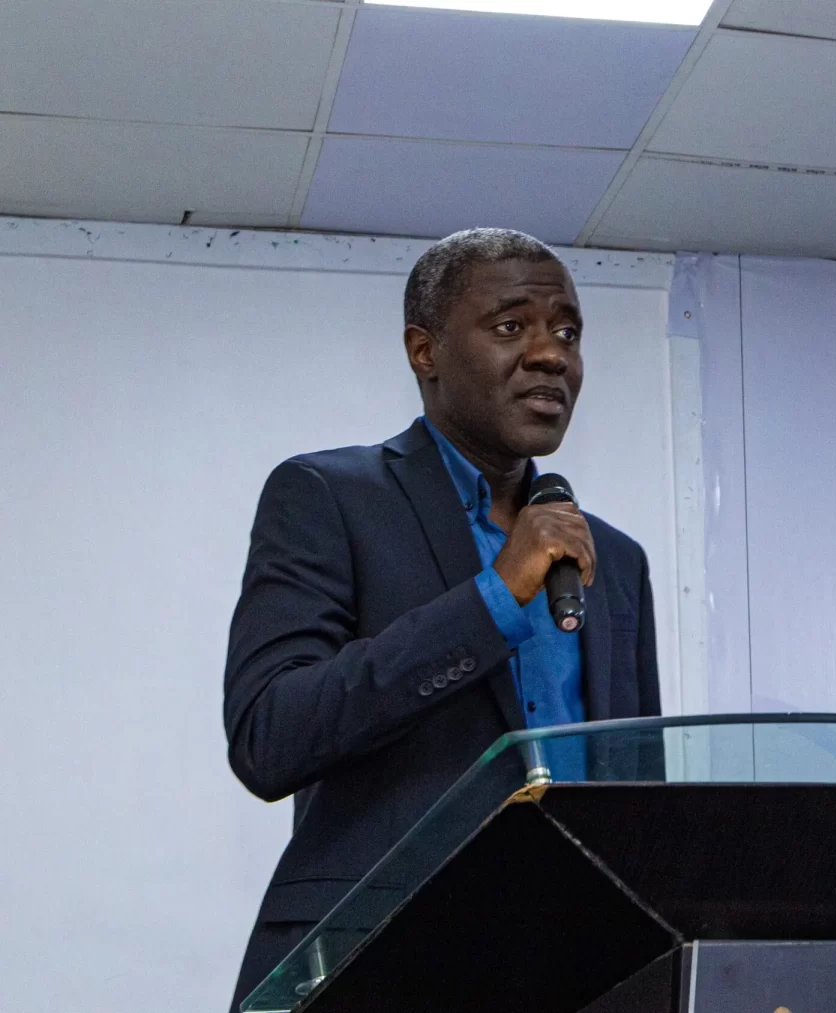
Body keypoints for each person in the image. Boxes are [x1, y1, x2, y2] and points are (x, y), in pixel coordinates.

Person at [222, 228, 660, 1011]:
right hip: (380, 968)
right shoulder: (327, 497)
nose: (550, 355)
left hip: (572, 973)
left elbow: (639, 797)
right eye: (511, 326)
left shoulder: (614, 561)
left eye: (567, 332)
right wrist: (494, 596)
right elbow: (270, 733)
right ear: (424, 350)